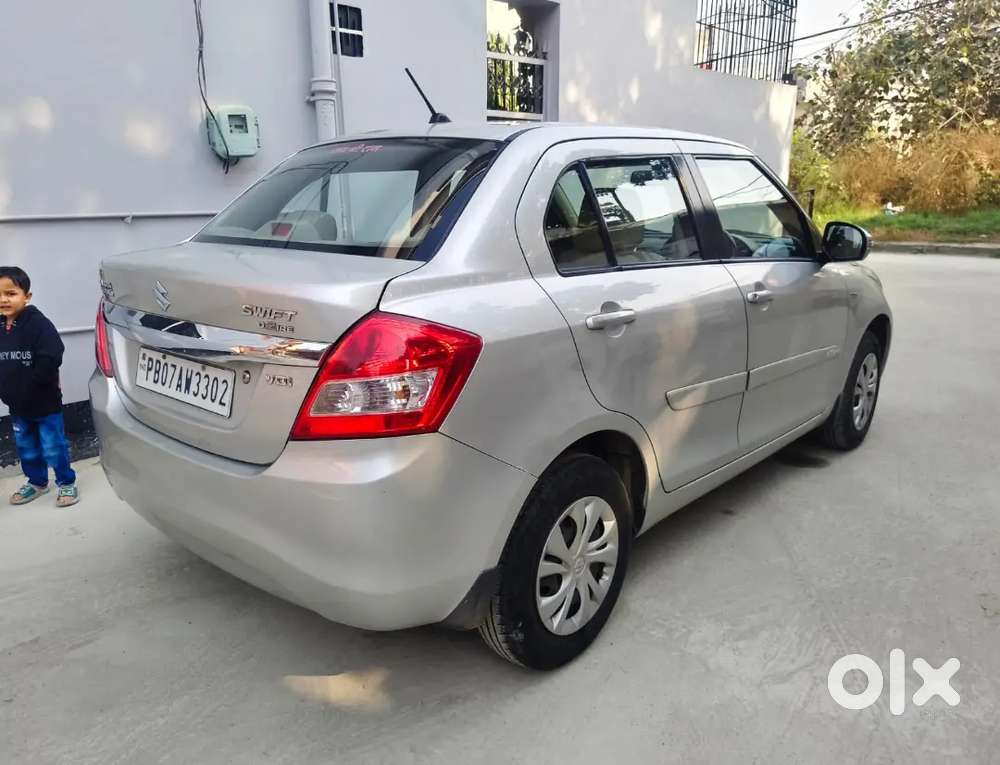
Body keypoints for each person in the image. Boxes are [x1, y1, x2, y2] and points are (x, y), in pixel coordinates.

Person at [0, 266, 79, 507]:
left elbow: (52, 355)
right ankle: (36, 482)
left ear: (27, 296)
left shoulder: (39, 324)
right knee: (27, 448)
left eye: (11, 293)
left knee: (53, 447)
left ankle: (66, 482)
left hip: (45, 404)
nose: (3, 299)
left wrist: (33, 384)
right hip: (17, 405)